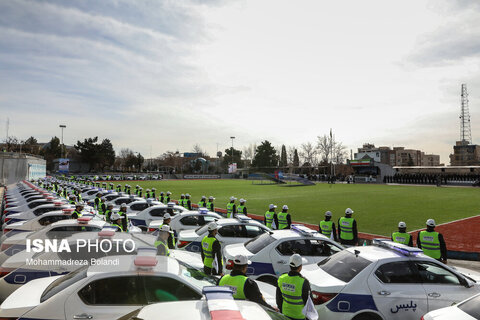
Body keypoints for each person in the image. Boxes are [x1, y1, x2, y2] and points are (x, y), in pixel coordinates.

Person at [276, 254, 313, 320]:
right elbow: (308, 303)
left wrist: (282, 311)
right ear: (300, 267)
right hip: (299, 316)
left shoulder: (281, 278)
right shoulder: (303, 282)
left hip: (285, 314)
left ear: (290, 266)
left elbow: (279, 299)